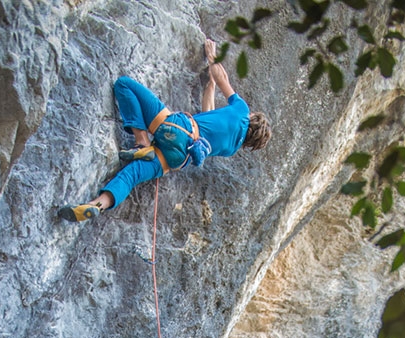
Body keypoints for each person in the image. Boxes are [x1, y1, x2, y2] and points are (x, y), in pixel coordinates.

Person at [58, 39, 272, 223]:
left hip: (179, 128)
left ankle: (142, 142)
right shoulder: (231, 148)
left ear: (253, 118)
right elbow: (208, 113)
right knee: (132, 175)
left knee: (124, 85)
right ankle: (98, 204)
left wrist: (211, 56)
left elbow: (223, 77)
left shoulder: (242, 111)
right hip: (178, 157)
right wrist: (210, 85)